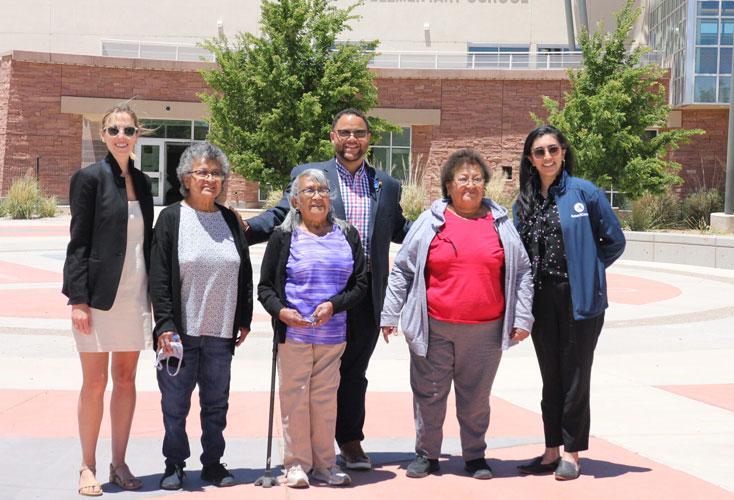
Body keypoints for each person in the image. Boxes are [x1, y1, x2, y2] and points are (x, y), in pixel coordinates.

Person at [245, 108, 408, 469]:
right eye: (344, 132)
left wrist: (442, 233)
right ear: (333, 137)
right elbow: (281, 214)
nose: (352, 139)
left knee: (353, 373)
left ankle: (349, 442)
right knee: (308, 378)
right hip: (315, 298)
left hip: (363, 296)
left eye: (359, 133)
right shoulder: (311, 176)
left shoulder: (387, 185)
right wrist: (246, 230)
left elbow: (398, 228)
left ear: (368, 138)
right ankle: (304, 454)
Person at [381, 148, 534, 480]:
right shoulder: (429, 222)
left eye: (477, 179)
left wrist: (523, 318)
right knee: (429, 394)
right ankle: (427, 454)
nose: (470, 185)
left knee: (476, 400)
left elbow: (522, 272)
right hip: (434, 326)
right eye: (462, 178)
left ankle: (475, 456)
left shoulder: (500, 223)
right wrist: (390, 314)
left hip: (485, 331)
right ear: (448, 185)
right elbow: (402, 270)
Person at [513, 125, 625, 481]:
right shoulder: (524, 202)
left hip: (579, 300)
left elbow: (615, 241)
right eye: (539, 152)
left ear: (563, 152)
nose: (547, 157)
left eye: (552, 149)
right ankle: (550, 450)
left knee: (576, 376)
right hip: (541, 300)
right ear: (530, 160)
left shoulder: (585, 193)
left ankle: (572, 453)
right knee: (551, 378)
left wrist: (589, 269)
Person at [149, 142, 253, 490]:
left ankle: (212, 463)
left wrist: (244, 318)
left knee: (216, 405)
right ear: (186, 178)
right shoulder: (171, 218)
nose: (210, 178)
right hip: (180, 332)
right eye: (202, 172)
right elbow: (159, 276)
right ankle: (175, 463)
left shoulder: (229, 219)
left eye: (216, 172)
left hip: (221, 332)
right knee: (175, 406)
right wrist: (164, 324)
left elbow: (244, 271)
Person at [62, 104, 154, 496]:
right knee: (95, 383)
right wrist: (78, 299)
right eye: (114, 129)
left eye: (128, 130)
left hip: (135, 294)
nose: (121, 136)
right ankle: (88, 465)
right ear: (103, 135)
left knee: (127, 380)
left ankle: (119, 463)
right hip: (98, 298)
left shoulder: (144, 181)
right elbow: (78, 242)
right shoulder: (88, 179)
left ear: (137, 136)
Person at [258, 169, 368, 487]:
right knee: (294, 398)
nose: (317, 196)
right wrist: (281, 312)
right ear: (295, 200)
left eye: (322, 190)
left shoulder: (347, 234)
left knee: (324, 400)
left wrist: (334, 304)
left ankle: (325, 466)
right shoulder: (283, 236)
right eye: (309, 191)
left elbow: (360, 283)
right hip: (294, 334)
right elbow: (265, 287)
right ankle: (295, 465)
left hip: (333, 336)